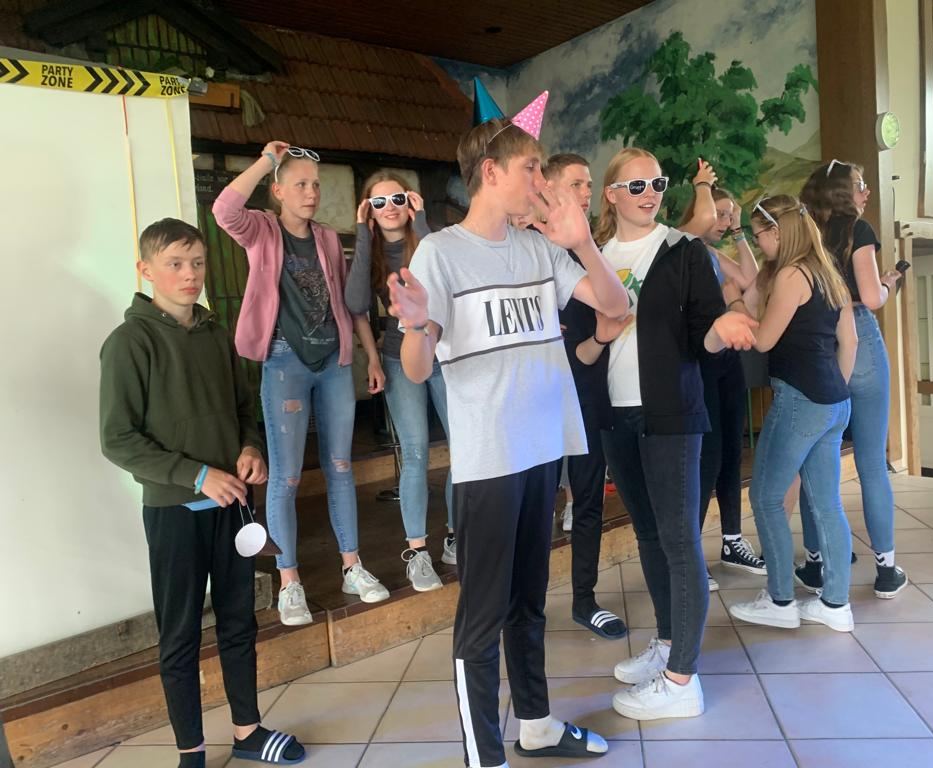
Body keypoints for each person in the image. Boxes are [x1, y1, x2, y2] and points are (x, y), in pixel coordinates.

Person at [387, 96, 630, 767]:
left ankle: (537, 726)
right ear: (490, 172)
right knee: (483, 615)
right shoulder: (441, 253)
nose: (542, 183)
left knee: (529, 602)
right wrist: (415, 323)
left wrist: (581, 242)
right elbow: (417, 367)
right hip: (490, 460)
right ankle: (485, 756)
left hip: (543, 448)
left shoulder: (538, 248)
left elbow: (616, 307)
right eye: (532, 169)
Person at [99, 219, 306, 767]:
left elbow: (243, 409)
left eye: (196, 263)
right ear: (145, 270)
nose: (189, 274)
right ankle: (190, 751)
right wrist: (196, 475)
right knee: (181, 633)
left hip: (233, 507)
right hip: (176, 512)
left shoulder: (217, 333)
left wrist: (250, 448)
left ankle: (248, 731)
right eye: (175, 264)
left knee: (239, 621)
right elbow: (118, 440)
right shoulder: (128, 343)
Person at [591, 147, 757, 721]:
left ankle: (682, 679)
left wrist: (722, 327)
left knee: (680, 540)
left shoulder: (683, 249)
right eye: (636, 185)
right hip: (616, 414)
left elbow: (701, 337)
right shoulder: (595, 255)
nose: (649, 194)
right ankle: (666, 644)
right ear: (611, 194)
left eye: (657, 184)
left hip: (671, 414)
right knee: (647, 534)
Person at [213, 141, 387, 626]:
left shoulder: (328, 238)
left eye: (316, 185)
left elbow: (351, 303)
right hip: (284, 362)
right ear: (279, 191)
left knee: (341, 466)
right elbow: (224, 209)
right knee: (286, 476)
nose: (311, 193)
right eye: (301, 185)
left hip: (334, 363)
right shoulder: (261, 230)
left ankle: (352, 565)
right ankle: (289, 582)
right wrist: (268, 160)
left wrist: (370, 356)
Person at [724, 195, 858, 633]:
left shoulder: (791, 275)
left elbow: (763, 340)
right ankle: (836, 604)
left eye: (758, 235)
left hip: (800, 399)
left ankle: (781, 600)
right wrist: (830, 394)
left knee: (765, 497)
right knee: (826, 504)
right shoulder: (828, 272)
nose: (759, 243)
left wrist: (736, 306)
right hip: (835, 400)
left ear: (776, 231)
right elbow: (850, 342)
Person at [798, 160, 907, 598]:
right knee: (871, 463)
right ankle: (886, 570)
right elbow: (871, 297)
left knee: (814, 458)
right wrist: (890, 284)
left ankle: (816, 563)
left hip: (819, 341)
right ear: (843, 191)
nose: (866, 192)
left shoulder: (807, 233)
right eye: (861, 184)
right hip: (860, 338)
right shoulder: (857, 230)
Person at [345, 171, 455, 592]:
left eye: (397, 199)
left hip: (444, 352)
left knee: (464, 446)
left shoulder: (430, 240)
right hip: (397, 356)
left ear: (411, 202)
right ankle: (417, 552)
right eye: (378, 203)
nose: (389, 207)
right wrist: (362, 233)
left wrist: (421, 221)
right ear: (368, 211)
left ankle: (455, 536)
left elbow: (443, 281)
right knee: (415, 452)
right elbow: (356, 303)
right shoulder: (370, 253)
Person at [543, 152, 628, 640]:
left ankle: (584, 600)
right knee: (536, 504)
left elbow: (594, 337)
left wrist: (598, 338)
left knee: (589, 498)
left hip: (587, 392)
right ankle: (525, 606)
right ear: (549, 188)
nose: (586, 193)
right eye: (577, 183)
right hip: (538, 399)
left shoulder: (588, 254)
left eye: (589, 184)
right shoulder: (534, 250)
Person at [680, 184, 767, 585]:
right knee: (708, 457)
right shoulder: (682, 248)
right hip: (700, 361)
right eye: (718, 212)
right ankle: (691, 554)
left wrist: (737, 231)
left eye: (730, 213)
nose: (724, 220)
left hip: (729, 361)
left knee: (733, 451)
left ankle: (732, 539)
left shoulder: (714, 253)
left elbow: (750, 278)